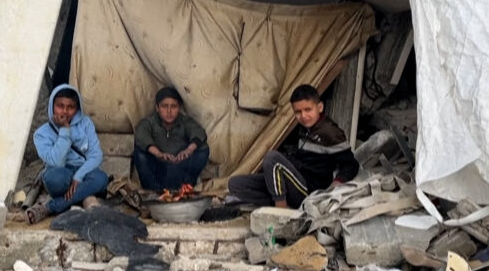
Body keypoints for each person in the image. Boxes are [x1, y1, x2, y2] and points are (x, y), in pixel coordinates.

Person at [228, 84, 360, 209]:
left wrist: (337, 183)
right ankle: (283, 203)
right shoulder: (305, 129)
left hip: (309, 190)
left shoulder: (330, 132)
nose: (303, 116)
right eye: (298, 112)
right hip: (295, 181)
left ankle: (281, 209)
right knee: (235, 184)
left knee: (272, 158)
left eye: (308, 110)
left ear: (320, 107)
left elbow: (351, 164)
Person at [25, 84, 109, 224]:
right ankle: (82, 194)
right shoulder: (41, 134)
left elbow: (96, 156)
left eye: (70, 107)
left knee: (101, 178)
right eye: (60, 106)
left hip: (83, 172)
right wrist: (65, 129)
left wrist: (78, 176)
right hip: (61, 173)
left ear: (77, 109)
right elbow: (56, 162)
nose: (64, 111)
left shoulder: (85, 123)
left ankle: (51, 207)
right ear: (52, 106)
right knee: (55, 179)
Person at [133, 87, 210, 190]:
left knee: (203, 148)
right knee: (140, 152)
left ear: (179, 108)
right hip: (158, 169)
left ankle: (185, 187)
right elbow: (141, 135)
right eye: (164, 106)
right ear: (157, 108)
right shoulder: (149, 123)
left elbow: (198, 132)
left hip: (180, 167)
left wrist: (188, 151)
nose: (169, 111)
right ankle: (153, 190)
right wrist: (159, 154)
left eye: (173, 106)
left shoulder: (185, 121)